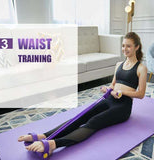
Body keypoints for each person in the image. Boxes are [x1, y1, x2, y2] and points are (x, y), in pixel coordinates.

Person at [18, 32, 147, 157]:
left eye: (129, 46)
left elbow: (140, 94)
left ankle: (53, 144)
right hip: (109, 99)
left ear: (137, 47)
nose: (125, 49)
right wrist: (107, 89)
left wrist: (122, 92)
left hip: (122, 107)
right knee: (80, 117)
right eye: (123, 45)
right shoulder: (119, 64)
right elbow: (113, 85)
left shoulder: (141, 68)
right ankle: (44, 136)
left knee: (93, 122)